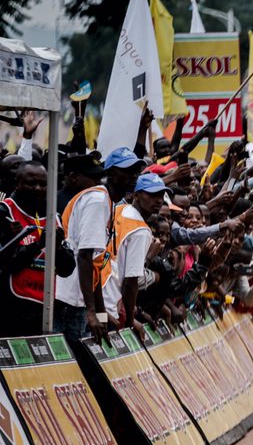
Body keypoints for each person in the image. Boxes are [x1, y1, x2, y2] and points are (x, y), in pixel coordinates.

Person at [57, 146, 145, 344]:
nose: (134, 176)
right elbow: (84, 257)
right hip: (69, 300)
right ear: (111, 173)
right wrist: (92, 312)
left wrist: (102, 314)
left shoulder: (109, 202)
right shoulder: (97, 200)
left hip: (79, 300)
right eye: (127, 170)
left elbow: (96, 265)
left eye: (136, 171)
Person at [0, 161, 75, 338]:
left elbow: (66, 269)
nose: (38, 188)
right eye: (31, 183)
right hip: (9, 308)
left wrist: (57, 247)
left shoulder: (53, 217)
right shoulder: (5, 212)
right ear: (18, 183)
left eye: (43, 184)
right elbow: (5, 264)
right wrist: (38, 245)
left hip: (43, 308)